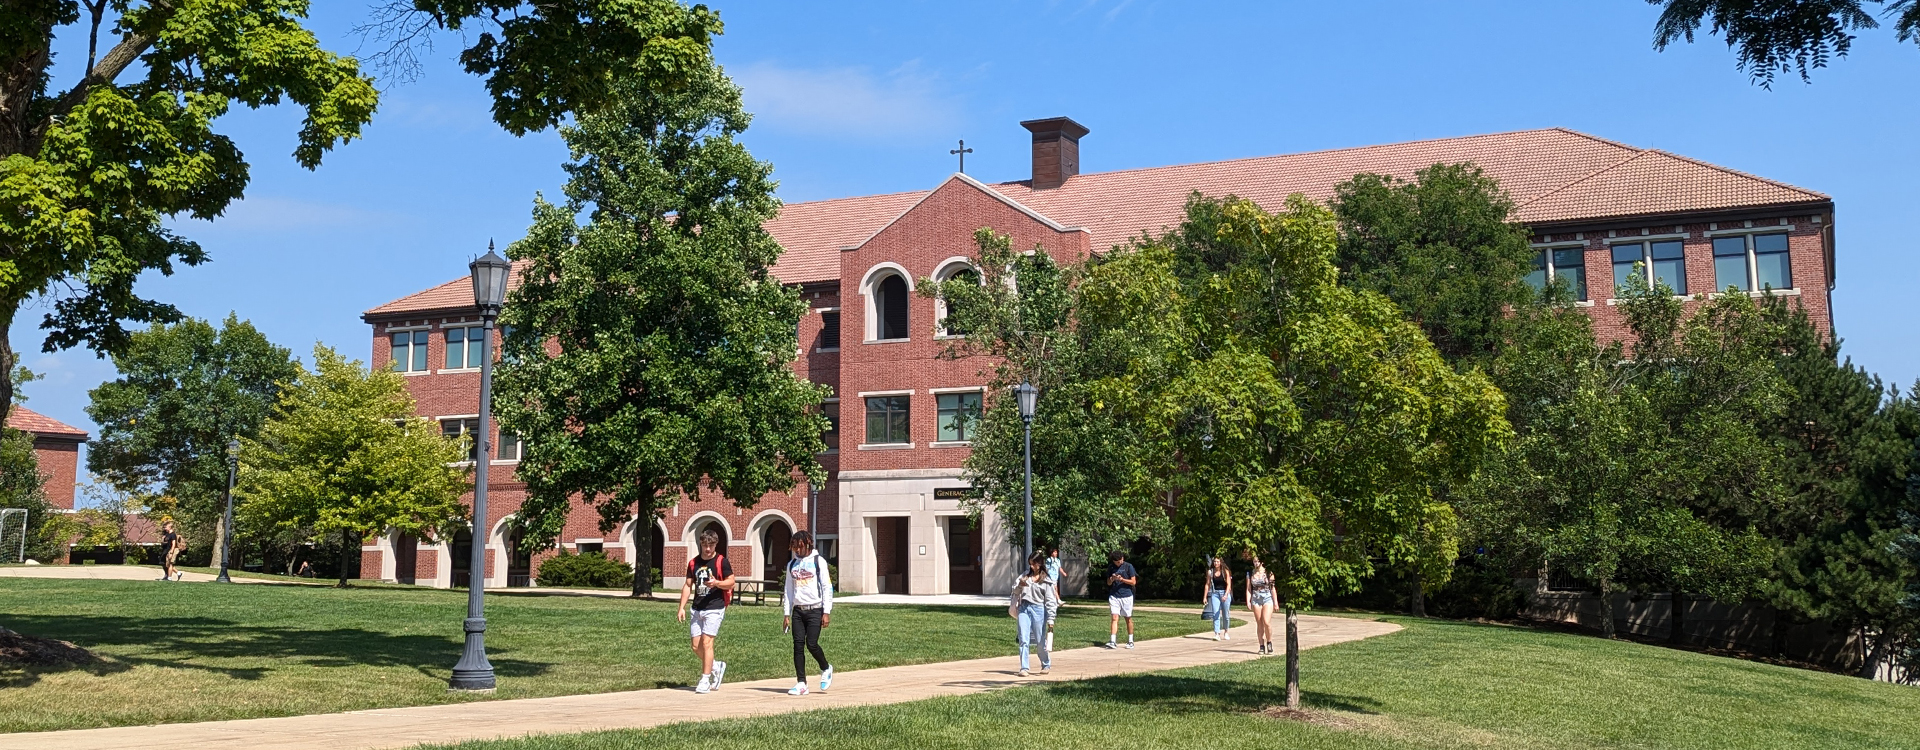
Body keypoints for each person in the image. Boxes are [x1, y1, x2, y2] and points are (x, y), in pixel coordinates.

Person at [676, 528, 736, 694]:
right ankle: (716, 666)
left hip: (715, 608)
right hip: (697, 608)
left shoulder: (722, 561)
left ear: (716, 544)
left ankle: (705, 679)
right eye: (705, 545)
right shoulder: (693, 563)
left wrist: (717, 583)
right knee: (695, 646)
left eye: (711, 545)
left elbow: (731, 582)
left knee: (707, 643)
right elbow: (688, 585)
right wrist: (681, 607)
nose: (708, 549)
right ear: (701, 544)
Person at [782, 530, 835, 696]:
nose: (797, 551)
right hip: (798, 610)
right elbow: (788, 590)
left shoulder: (819, 562)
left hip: (815, 609)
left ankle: (826, 668)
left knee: (811, 644)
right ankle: (801, 683)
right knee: (798, 646)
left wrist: (826, 612)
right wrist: (786, 614)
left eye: (800, 547)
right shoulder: (792, 565)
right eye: (794, 548)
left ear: (808, 544)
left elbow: (827, 587)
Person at [1008, 551, 1060, 677]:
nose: (1031, 567)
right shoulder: (1024, 576)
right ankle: (1024, 668)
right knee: (1023, 639)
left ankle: (1045, 663)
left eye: (1034, 564)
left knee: (1040, 640)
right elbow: (1014, 592)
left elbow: (1050, 601)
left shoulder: (1046, 580)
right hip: (1024, 608)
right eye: (1030, 564)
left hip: (1039, 610)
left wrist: (1051, 619)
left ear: (1040, 564)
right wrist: (1020, 586)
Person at [1105, 550, 1138, 649]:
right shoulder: (1111, 567)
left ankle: (1130, 641)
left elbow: (1133, 582)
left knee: (1128, 618)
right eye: (1118, 561)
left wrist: (1122, 579)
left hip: (1127, 596)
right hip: (1114, 596)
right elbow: (1108, 583)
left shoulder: (1128, 566)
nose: (1120, 562)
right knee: (1114, 617)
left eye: (1121, 559)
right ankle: (1112, 641)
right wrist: (1112, 579)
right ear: (1114, 561)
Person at [1245, 555, 1276, 655]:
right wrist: (1248, 601)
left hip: (1267, 597)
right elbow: (1249, 589)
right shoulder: (1251, 573)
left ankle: (1269, 642)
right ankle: (1261, 645)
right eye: (1254, 561)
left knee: (1266, 622)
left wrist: (1275, 602)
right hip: (1256, 598)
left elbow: (1272, 588)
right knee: (1259, 623)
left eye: (1258, 561)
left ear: (1262, 562)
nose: (1256, 563)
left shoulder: (1268, 572)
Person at [1202, 556, 1232, 640]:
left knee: (1225, 614)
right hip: (1215, 594)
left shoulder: (1225, 571)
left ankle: (1226, 632)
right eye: (1215, 561)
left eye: (1217, 561)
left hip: (1224, 593)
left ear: (1221, 562)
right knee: (1215, 613)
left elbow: (1229, 584)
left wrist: (1226, 595)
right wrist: (1205, 597)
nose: (1216, 563)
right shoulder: (1210, 572)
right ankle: (1217, 633)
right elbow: (1207, 584)